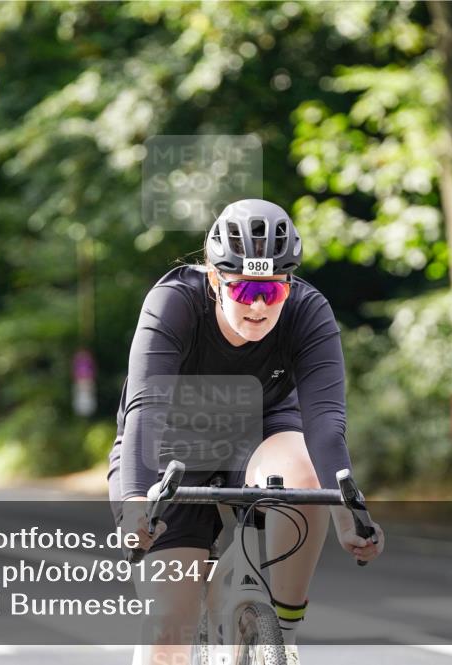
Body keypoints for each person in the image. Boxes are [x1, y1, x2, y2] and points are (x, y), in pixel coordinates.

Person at [107, 199, 385, 664]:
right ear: (215, 280)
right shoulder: (173, 302)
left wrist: (349, 518)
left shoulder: (308, 311)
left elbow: (325, 425)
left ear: (289, 285)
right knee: (167, 631)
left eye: (272, 292)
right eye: (244, 290)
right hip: (172, 446)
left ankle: (282, 635)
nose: (258, 305)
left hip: (263, 433)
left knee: (301, 472)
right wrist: (137, 501)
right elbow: (144, 407)